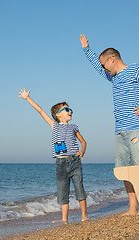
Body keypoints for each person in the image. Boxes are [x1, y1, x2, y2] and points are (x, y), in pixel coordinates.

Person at [79, 34, 139, 216]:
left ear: (112, 59)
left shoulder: (135, 69)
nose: (103, 68)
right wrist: (87, 50)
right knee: (125, 171)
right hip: (120, 130)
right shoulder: (114, 77)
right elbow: (97, 65)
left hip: (138, 126)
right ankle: (133, 208)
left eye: (104, 65)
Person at [18, 88, 89, 224]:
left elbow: (83, 141)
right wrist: (27, 98)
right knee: (63, 191)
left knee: (79, 188)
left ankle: (84, 215)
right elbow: (40, 110)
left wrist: (83, 150)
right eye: (67, 110)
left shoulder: (74, 127)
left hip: (75, 161)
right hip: (60, 163)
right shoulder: (54, 125)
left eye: (71, 110)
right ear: (58, 115)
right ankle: (64, 219)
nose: (70, 112)